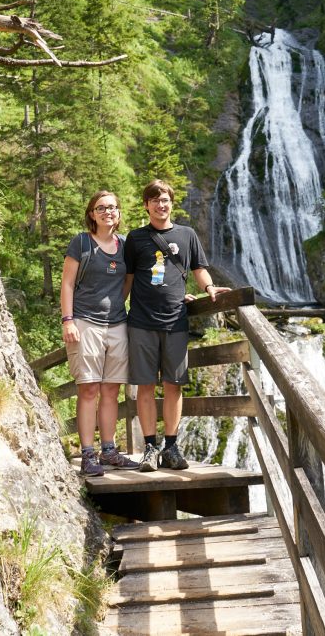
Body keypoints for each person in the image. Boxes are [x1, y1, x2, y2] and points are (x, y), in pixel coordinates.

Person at [123, 180, 230, 472]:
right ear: (146, 205)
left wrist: (209, 288)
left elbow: (199, 269)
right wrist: (115, 310)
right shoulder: (135, 238)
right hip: (142, 321)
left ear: (172, 203)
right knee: (145, 386)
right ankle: (149, 447)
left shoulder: (187, 235)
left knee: (173, 385)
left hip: (175, 321)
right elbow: (129, 278)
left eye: (166, 200)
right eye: (155, 200)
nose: (161, 205)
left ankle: (170, 446)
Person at [61, 190, 140, 477]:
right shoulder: (81, 243)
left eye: (113, 207)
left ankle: (109, 451)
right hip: (85, 322)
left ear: (119, 214)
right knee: (89, 388)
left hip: (117, 324)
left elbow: (129, 282)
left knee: (111, 390)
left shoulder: (124, 246)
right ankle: (87, 454)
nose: (108, 211)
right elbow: (68, 283)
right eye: (102, 207)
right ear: (92, 213)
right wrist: (68, 320)